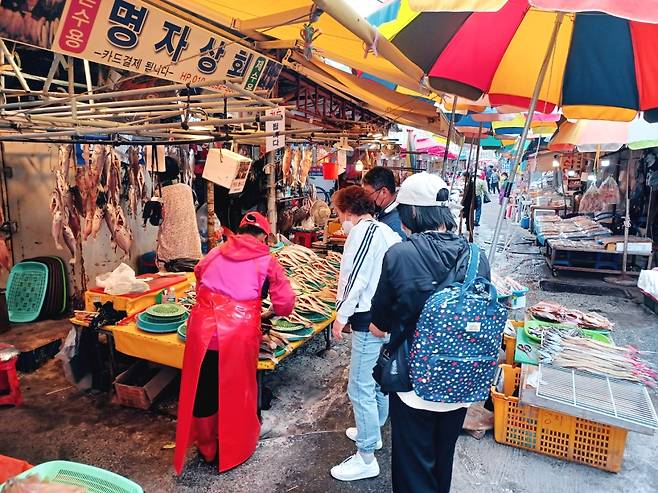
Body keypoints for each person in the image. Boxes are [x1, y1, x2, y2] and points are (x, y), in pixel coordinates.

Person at [368, 172, 490, 493]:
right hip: (460, 382)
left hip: (412, 385)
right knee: (441, 462)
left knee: (412, 470)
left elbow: (379, 324)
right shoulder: (477, 257)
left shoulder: (399, 255)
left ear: (412, 213)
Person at [174, 212, 295, 475]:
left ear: (240, 232)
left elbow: (199, 276)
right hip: (238, 334)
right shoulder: (267, 260)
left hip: (203, 330)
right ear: (263, 235)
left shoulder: (215, 253)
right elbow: (285, 304)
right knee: (237, 390)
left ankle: (207, 448)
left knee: (204, 387)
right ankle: (233, 448)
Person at [330, 185, 402, 482]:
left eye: (338, 213)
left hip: (367, 317)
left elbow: (353, 279)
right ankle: (373, 432)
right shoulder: (387, 232)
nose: (340, 220)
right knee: (377, 380)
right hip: (387, 316)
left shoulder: (363, 232)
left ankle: (366, 455)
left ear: (347, 211)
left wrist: (339, 316)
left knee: (359, 385)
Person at [156, 156, 202, 271]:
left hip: (170, 257)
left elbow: (155, 220)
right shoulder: (188, 189)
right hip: (193, 252)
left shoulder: (159, 194)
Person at [362, 166, 406, 241]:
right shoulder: (385, 213)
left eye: (368, 194)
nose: (366, 198)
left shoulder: (395, 223)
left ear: (384, 192)